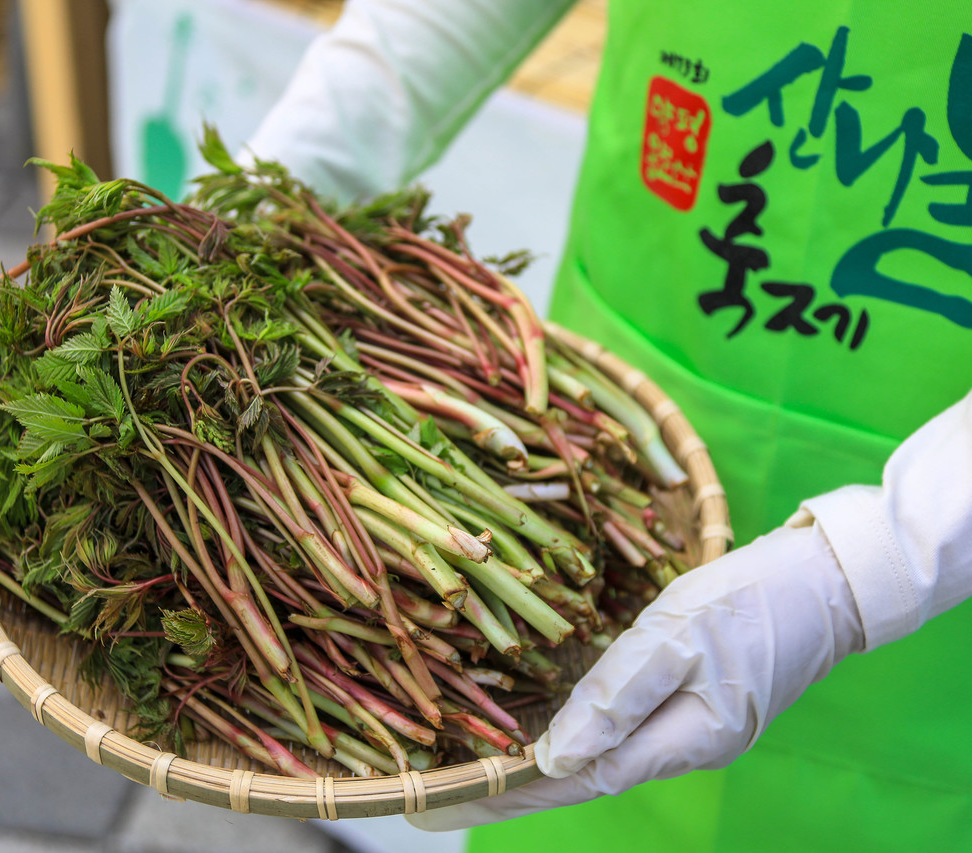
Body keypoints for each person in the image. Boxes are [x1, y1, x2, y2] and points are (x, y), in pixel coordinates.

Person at [244, 1, 972, 849]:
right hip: (621, 403)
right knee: (580, 751)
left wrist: (870, 566)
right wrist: (294, 177)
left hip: (938, 596)